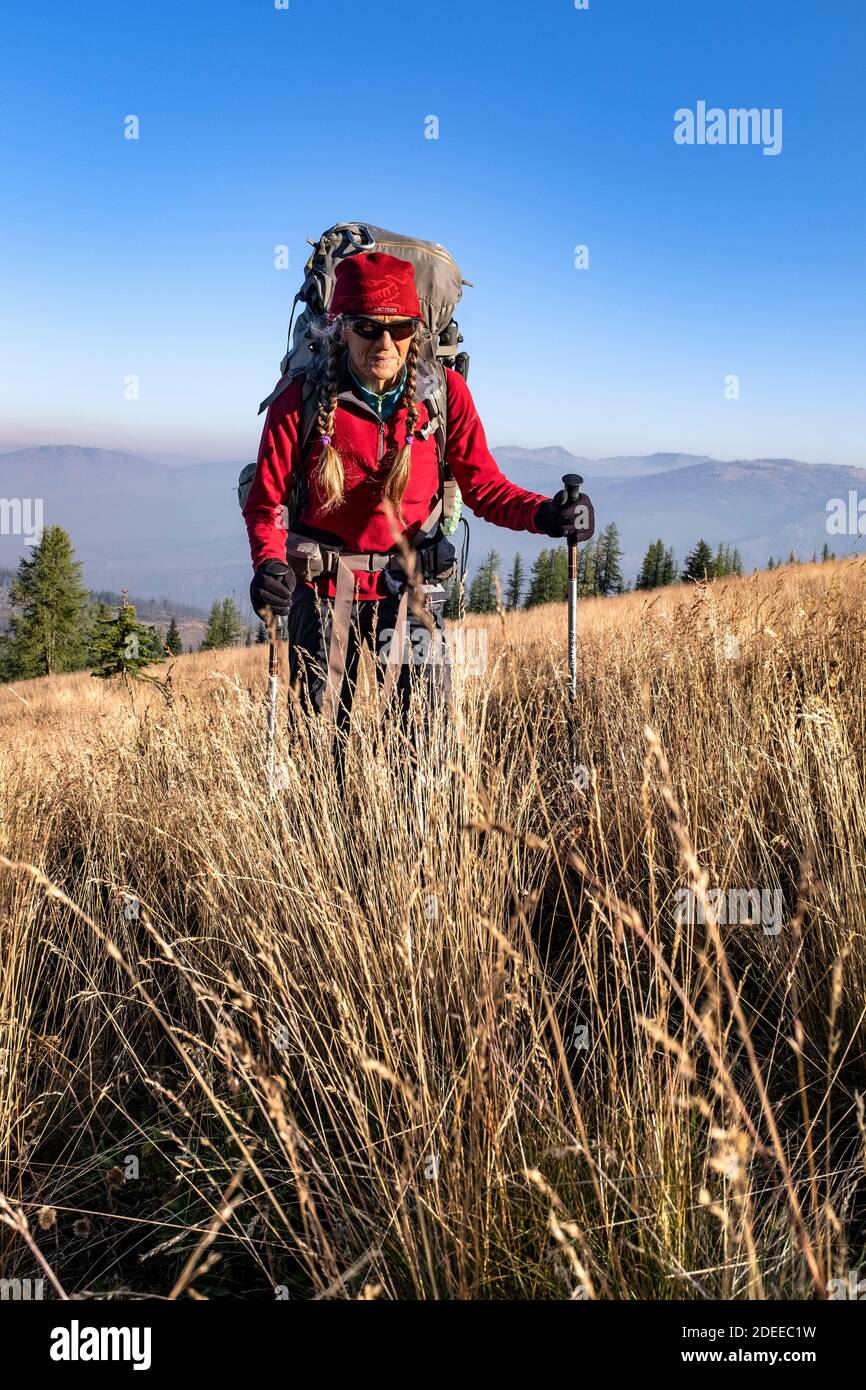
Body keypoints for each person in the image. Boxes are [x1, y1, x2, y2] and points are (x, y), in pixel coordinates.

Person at [243, 251, 594, 768]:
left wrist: (548, 514)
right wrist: (269, 564)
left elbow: (485, 488)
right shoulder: (301, 400)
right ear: (341, 328)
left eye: (400, 328)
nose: (385, 342)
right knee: (319, 747)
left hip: (410, 587)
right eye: (368, 327)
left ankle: (414, 840)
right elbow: (267, 503)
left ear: (416, 330)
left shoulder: (445, 396)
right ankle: (324, 845)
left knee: (421, 742)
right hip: (319, 588)